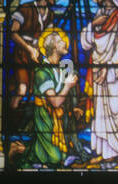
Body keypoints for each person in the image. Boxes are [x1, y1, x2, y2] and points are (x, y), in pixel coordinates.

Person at [9, 28, 80, 169]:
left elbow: (65, 99)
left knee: (65, 156)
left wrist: (74, 107)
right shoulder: (42, 72)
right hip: (44, 117)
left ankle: (26, 148)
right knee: (54, 158)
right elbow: (55, 102)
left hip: (59, 119)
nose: (65, 43)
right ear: (54, 47)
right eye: (61, 41)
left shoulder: (62, 69)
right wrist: (68, 86)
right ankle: (17, 149)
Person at [80, 0, 118, 167]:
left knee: (115, 110)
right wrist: (93, 24)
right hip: (98, 69)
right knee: (100, 112)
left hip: (114, 72)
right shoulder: (100, 14)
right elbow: (86, 44)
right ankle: (106, 154)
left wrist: (109, 67)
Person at [8, 0, 59, 109]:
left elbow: (47, 37)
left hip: (38, 56)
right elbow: (13, 33)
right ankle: (10, 114)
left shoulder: (50, 14)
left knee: (37, 89)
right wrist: (29, 49)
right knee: (22, 89)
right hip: (22, 54)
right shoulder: (25, 9)